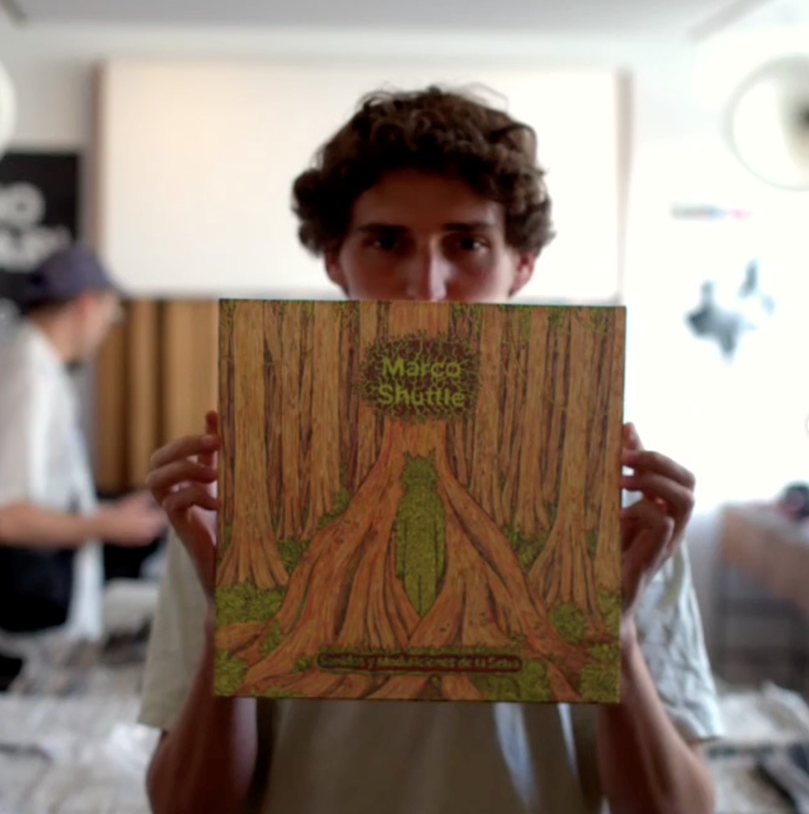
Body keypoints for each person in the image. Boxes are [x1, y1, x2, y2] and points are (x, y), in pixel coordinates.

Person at [140, 87, 723, 814]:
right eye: (386, 242)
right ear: (334, 260)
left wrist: (614, 635)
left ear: (522, 265)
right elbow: (185, 808)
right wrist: (234, 627)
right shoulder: (238, 495)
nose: (426, 288)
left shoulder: (615, 502)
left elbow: (677, 809)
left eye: (467, 244)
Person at [0, 244, 167, 643]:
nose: (108, 328)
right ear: (86, 305)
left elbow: (44, 497)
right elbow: (6, 516)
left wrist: (107, 513)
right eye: (111, 313)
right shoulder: (30, 379)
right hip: (28, 626)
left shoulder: (39, 370)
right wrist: (103, 525)